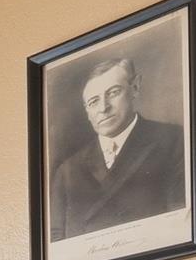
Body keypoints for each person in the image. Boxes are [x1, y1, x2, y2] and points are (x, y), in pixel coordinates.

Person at [48, 55, 186, 241]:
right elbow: (56, 246)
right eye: (93, 102)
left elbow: (182, 225)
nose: (103, 108)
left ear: (135, 88)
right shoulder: (67, 171)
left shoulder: (175, 140)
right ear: (88, 112)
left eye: (113, 93)